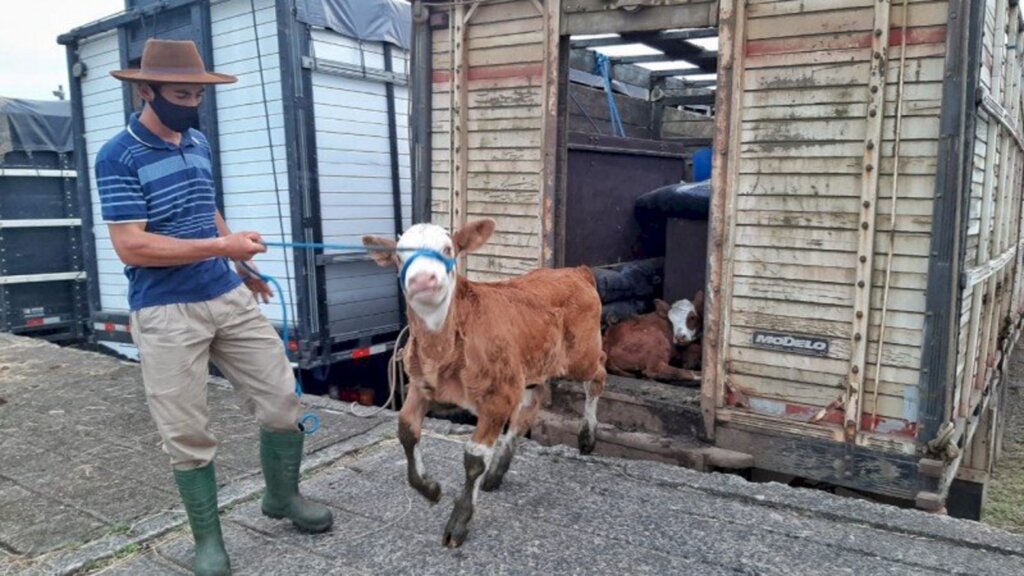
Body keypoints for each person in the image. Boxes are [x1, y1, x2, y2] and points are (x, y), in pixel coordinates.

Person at [98, 39, 332, 576]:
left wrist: (240, 266)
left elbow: (208, 209)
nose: (192, 104)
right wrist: (221, 249)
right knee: (187, 432)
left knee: (281, 400)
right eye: (182, 94)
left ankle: (282, 498)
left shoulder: (196, 141)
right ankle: (208, 542)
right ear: (146, 90)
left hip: (224, 293)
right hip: (165, 312)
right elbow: (131, 246)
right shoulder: (118, 154)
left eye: (198, 95)